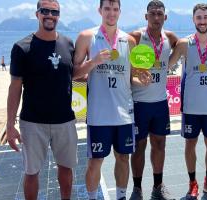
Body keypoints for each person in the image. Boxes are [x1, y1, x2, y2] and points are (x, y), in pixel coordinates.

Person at [73, 0, 151, 199]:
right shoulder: (86, 37)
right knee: (94, 162)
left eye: (115, 9)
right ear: (100, 10)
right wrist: (94, 61)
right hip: (99, 114)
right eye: (107, 9)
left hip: (124, 114)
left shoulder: (129, 41)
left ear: (120, 12)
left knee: (123, 158)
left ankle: (121, 196)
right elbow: (73, 73)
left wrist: (140, 80)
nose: (111, 13)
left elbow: (130, 76)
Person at [6, 0, 78, 199]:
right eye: (44, 11)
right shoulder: (22, 47)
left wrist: (95, 65)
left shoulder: (68, 44)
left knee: (66, 169)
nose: (49, 15)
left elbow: (73, 74)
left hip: (64, 120)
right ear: (37, 14)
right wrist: (10, 125)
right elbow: (15, 87)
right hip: (32, 122)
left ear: (59, 15)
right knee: (31, 172)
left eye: (54, 11)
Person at [169, 3, 207, 200]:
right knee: (190, 145)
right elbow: (167, 64)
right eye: (199, 18)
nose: (202, 21)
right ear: (193, 19)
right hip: (191, 106)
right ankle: (192, 183)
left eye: (205, 17)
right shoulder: (184, 44)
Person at [128, 1, 178, 200]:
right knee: (139, 147)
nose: (156, 17)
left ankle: (158, 187)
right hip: (139, 103)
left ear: (165, 17)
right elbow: (123, 58)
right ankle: (137, 188)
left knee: (160, 145)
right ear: (145, 16)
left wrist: (171, 63)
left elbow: (182, 46)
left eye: (160, 14)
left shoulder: (170, 38)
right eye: (152, 14)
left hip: (160, 103)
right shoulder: (136, 37)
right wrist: (134, 73)